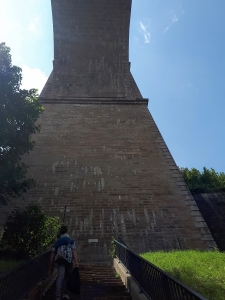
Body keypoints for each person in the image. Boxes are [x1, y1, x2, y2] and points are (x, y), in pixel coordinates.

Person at [49, 224, 79, 300]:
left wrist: (51, 264)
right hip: (69, 260)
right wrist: (76, 261)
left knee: (60, 277)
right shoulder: (71, 240)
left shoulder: (58, 242)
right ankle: (66, 294)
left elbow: (53, 252)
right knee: (67, 277)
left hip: (60, 260)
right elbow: (74, 250)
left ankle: (58, 296)